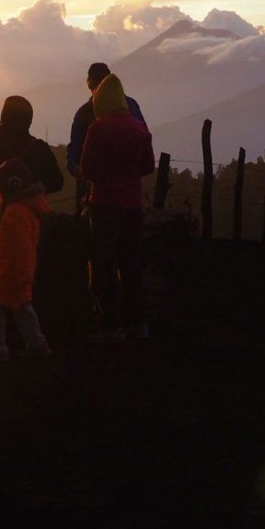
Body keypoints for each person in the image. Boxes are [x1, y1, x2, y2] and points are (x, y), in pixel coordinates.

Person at [78, 72, 156, 342]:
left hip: (104, 204)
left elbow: (86, 169)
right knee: (131, 263)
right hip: (133, 204)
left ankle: (111, 326)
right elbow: (148, 167)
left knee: (104, 265)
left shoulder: (98, 129)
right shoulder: (139, 128)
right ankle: (139, 323)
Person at [0, 159, 53, 362]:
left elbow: (21, 247)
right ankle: (37, 345)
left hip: (11, 270)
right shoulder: (25, 210)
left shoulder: (14, 213)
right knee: (22, 309)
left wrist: (23, 274)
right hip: (15, 270)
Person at [0, 95, 63, 202]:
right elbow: (57, 182)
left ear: (3, 117)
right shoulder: (38, 149)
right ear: (29, 121)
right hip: (29, 213)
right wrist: (34, 190)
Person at [67, 62, 145, 176]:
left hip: (94, 185)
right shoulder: (131, 106)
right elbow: (144, 139)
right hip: (129, 183)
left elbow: (75, 148)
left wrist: (77, 170)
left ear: (89, 83)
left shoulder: (84, 113)